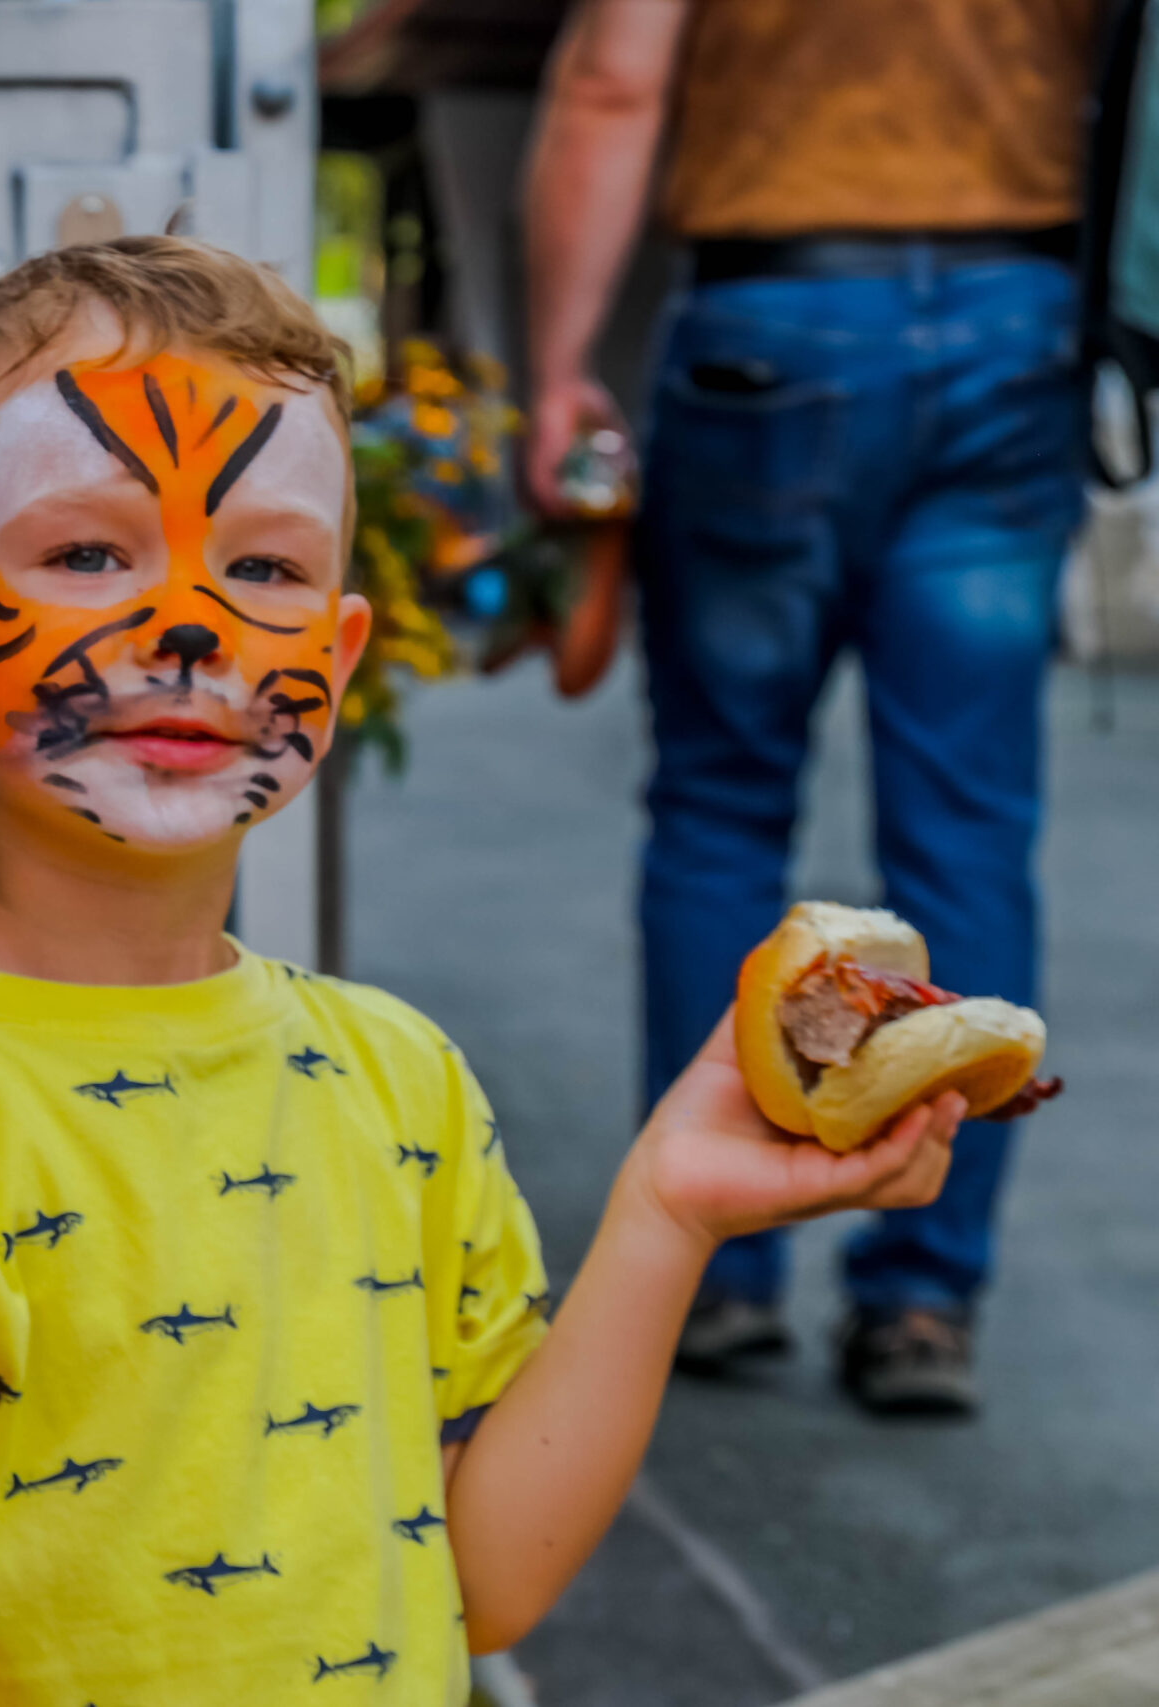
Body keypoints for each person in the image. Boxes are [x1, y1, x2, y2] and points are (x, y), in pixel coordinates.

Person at [0, 237, 963, 1707]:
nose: (189, 627)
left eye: (261, 568)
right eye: (88, 553)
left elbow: (488, 1581)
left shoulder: (398, 1080)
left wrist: (669, 1213)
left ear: (338, 652)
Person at [523, 0, 1097, 1414]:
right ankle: (922, 1300)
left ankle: (720, 1262)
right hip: (1018, 313)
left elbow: (612, 80)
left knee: (720, 805)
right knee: (965, 820)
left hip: (769, 328)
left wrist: (553, 373)